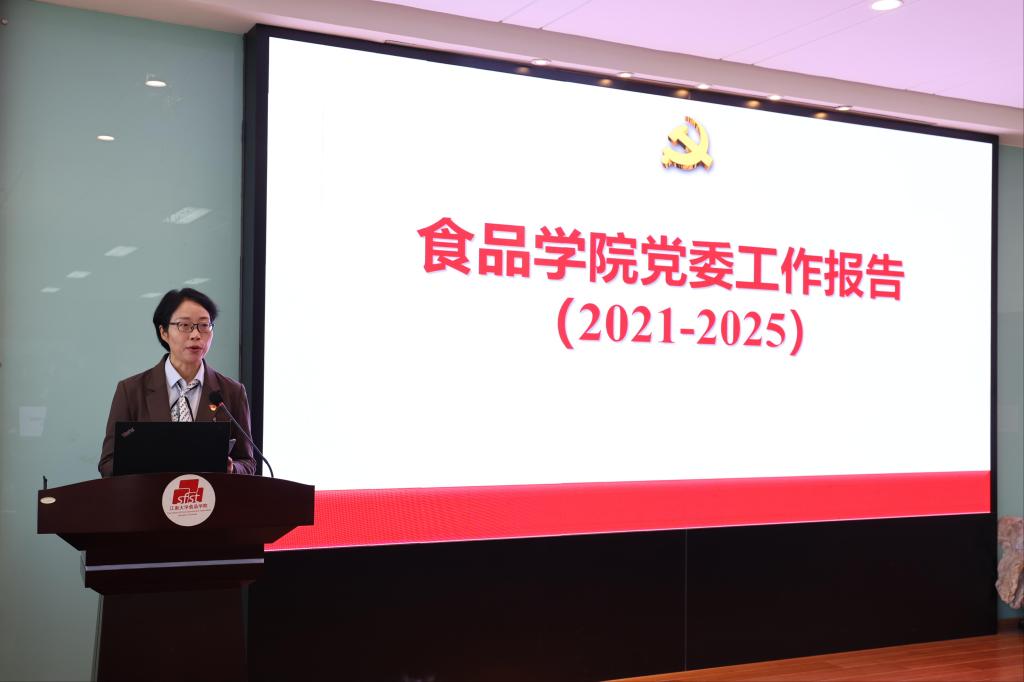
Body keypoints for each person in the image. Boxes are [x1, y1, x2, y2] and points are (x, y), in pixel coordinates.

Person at [97, 288, 257, 477]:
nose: (196, 334)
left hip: (208, 494)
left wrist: (231, 468)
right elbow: (108, 463)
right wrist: (138, 467)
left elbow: (247, 462)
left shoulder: (232, 392)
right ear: (164, 332)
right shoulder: (131, 390)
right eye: (184, 325)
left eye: (204, 325)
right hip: (149, 494)